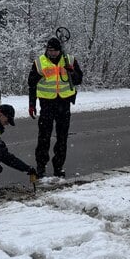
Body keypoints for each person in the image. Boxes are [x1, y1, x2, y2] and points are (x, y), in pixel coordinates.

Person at [28, 36, 83, 177]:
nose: (52, 53)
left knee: (62, 137)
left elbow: (78, 79)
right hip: (47, 104)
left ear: (60, 50)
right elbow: (32, 84)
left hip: (64, 103)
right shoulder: (40, 63)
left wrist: (71, 71)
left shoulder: (69, 60)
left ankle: (58, 166)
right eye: (50, 50)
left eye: (55, 51)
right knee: (44, 137)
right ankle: (41, 166)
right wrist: (32, 104)